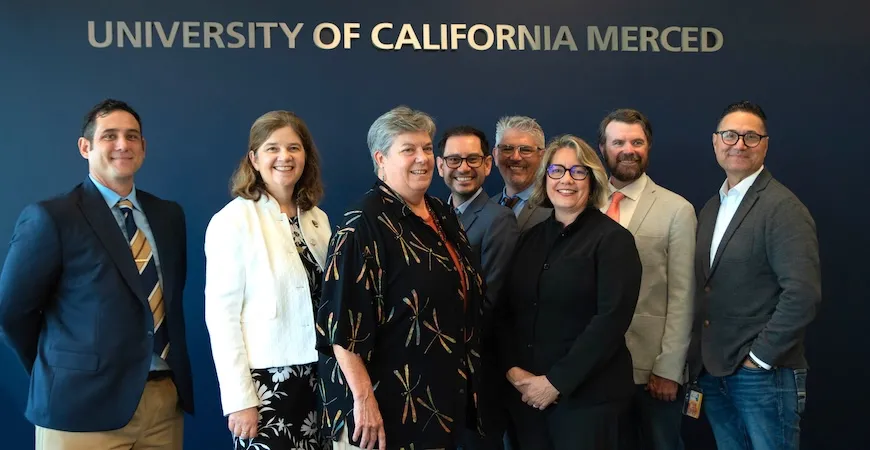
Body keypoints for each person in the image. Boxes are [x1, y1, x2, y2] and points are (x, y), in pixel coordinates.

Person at [0, 99, 194, 449]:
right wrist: (61, 370)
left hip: (162, 403)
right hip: (80, 405)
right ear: (85, 146)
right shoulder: (51, 217)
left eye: (132, 136)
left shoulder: (168, 216)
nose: (123, 145)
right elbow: (12, 313)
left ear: (143, 147)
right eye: (110, 136)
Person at [316, 106, 486, 450]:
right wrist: (364, 402)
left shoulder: (440, 212)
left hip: (438, 403)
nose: (422, 158)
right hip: (382, 410)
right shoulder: (361, 225)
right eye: (408, 150)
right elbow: (340, 329)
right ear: (381, 159)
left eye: (426, 148)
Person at [688, 101, 821, 450]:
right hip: (714, 374)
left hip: (763, 376)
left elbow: (802, 294)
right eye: (730, 135)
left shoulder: (782, 208)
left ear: (765, 144)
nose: (739, 144)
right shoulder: (712, 206)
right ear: (716, 142)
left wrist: (759, 360)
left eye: (751, 136)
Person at [496, 134, 641, 450]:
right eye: (557, 170)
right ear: (544, 177)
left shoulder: (613, 241)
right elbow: (505, 311)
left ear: (592, 180)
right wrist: (512, 370)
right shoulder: (530, 239)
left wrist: (554, 383)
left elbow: (610, 322)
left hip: (588, 403)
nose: (566, 180)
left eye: (578, 171)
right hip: (527, 398)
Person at [204, 111, 331, 449]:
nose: (285, 157)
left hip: (322, 378)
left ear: (306, 156)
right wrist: (239, 399)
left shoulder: (318, 220)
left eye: (294, 148)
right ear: (254, 158)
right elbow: (221, 318)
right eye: (272, 148)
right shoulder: (232, 221)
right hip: (266, 386)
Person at [598, 109, 696, 450]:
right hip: (593, 367)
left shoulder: (677, 210)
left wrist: (670, 367)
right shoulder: (581, 203)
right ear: (602, 148)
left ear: (649, 147)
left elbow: (684, 295)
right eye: (619, 142)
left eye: (637, 142)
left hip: (650, 370)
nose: (629, 149)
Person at [436, 125, 519, 450]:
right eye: (454, 159)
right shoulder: (429, 216)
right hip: (437, 373)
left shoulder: (498, 220)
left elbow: (490, 300)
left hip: (474, 371)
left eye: (472, 159)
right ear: (441, 165)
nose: (463, 168)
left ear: (487, 164)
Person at [490, 116, 551, 233]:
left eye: (525, 150)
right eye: (507, 149)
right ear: (495, 155)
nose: (515, 157)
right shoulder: (487, 208)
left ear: (542, 156)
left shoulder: (555, 207)